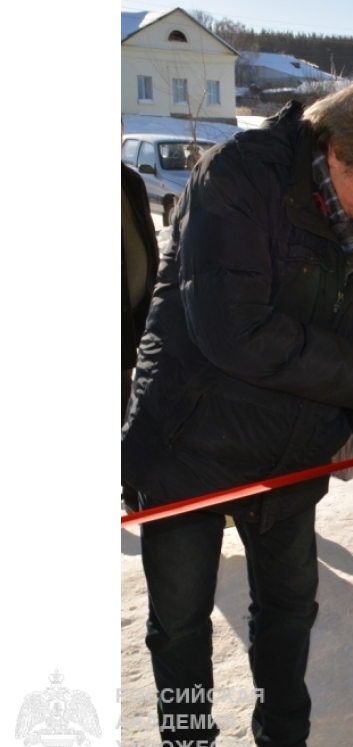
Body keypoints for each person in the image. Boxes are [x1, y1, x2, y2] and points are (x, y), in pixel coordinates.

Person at [120, 81, 353, 747]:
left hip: (293, 450)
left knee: (289, 614)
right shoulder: (237, 177)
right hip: (188, 444)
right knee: (178, 628)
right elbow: (234, 330)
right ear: (336, 152)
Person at [122, 145, 159, 512]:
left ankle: (132, 488)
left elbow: (148, 241)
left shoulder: (129, 180)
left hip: (135, 317)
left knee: (132, 405)